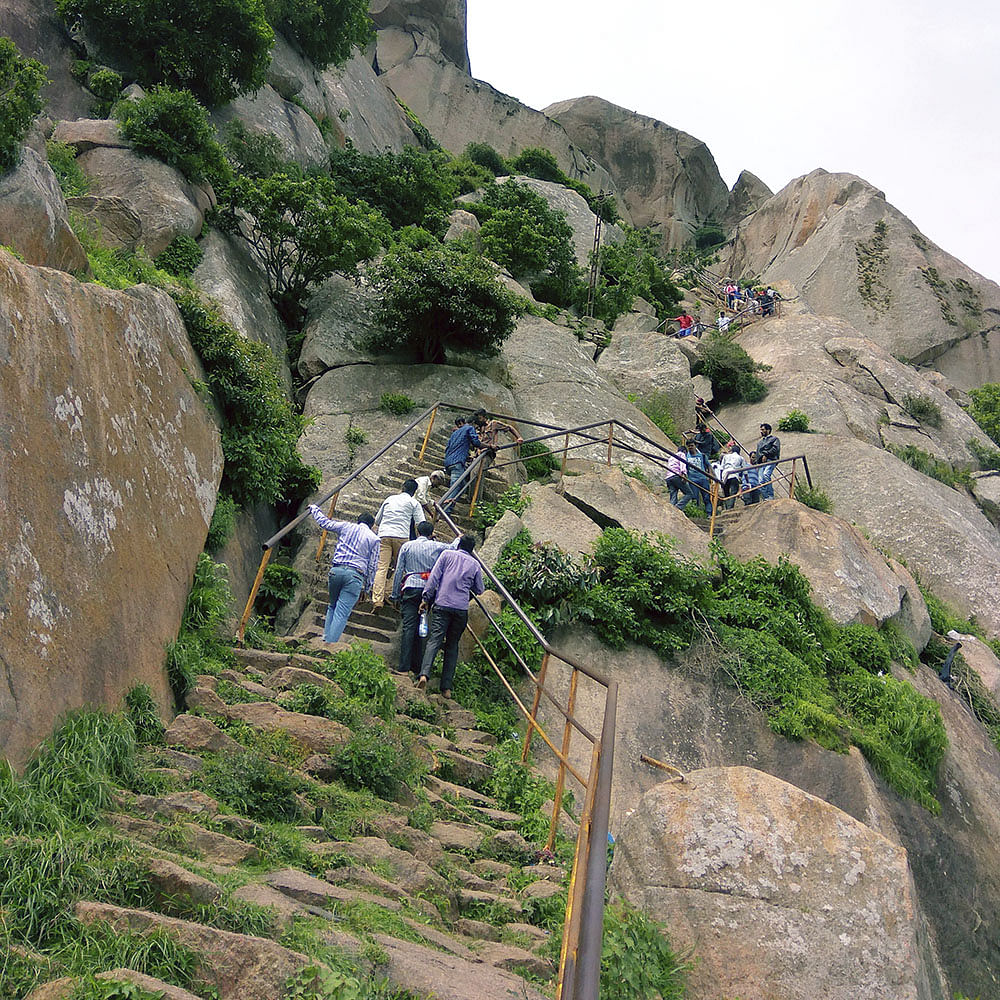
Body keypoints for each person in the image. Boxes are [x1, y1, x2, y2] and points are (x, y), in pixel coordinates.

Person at [417, 534, 485, 697]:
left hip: (442, 604)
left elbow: (433, 578)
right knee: (452, 645)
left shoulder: (447, 555)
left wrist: (426, 598)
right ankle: (446, 688)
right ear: (472, 549)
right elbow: (480, 589)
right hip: (460, 609)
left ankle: (424, 675)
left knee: (434, 640)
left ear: (459, 544)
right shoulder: (475, 564)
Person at [307, 505, 380, 643]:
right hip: (355, 575)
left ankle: (325, 638)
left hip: (336, 571)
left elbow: (325, 523)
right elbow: (372, 566)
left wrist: (314, 509)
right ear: (371, 525)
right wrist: (367, 588)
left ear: (358, 521)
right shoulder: (374, 539)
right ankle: (330, 644)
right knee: (342, 612)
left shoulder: (346, 526)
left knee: (332, 606)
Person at [391, 521, 453, 676]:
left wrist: (395, 594)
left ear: (417, 532)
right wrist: (459, 538)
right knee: (424, 626)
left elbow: (399, 570)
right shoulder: (436, 546)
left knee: (408, 626)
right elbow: (453, 546)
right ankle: (418, 667)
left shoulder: (407, 546)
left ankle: (404, 667)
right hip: (429, 591)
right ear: (431, 533)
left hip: (411, 587)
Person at [371, 479, 426, 609]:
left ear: (402, 487)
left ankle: (377, 599)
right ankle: (389, 593)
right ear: (414, 492)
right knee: (401, 568)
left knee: (381, 568)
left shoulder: (390, 499)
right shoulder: (414, 502)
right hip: (401, 537)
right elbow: (421, 523)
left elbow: (377, 520)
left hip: (384, 534)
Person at [441, 416, 482, 511]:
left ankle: (449, 504)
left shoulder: (454, 434)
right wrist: (489, 446)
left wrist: (466, 457)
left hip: (448, 462)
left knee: (463, 485)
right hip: (457, 463)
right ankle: (446, 509)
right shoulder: (469, 428)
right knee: (455, 487)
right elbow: (476, 442)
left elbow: (449, 448)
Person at [678, 440, 711, 511]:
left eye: (692, 445)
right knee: (694, 498)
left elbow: (708, 465)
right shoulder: (686, 457)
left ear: (695, 446)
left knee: (706, 497)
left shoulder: (702, 455)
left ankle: (709, 513)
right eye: (689, 446)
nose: (690, 447)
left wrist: (710, 476)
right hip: (692, 480)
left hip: (703, 478)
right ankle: (697, 513)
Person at [718, 441, 749, 509]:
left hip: (725, 475)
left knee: (726, 493)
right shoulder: (740, 458)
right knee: (733, 492)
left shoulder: (725, 456)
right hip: (734, 475)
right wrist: (747, 481)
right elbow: (745, 471)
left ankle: (727, 507)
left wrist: (720, 479)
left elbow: (721, 468)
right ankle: (730, 508)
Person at [755, 423, 781, 500]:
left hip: (771, 460)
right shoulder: (760, 442)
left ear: (768, 430)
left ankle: (770, 495)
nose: (761, 431)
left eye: (763, 430)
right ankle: (765, 497)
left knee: (766, 475)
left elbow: (775, 449)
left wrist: (765, 454)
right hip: (761, 463)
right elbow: (758, 453)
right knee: (760, 480)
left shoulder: (774, 439)